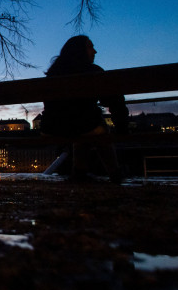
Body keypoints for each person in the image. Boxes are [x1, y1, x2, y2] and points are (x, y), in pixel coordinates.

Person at [40, 36, 129, 183]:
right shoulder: (92, 72)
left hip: (51, 127)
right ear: (80, 51)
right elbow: (114, 100)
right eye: (90, 47)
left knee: (83, 126)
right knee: (93, 128)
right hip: (82, 125)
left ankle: (79, 172)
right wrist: (122, 126)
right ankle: (114, 173)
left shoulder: (53, 74)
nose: (95, 51)